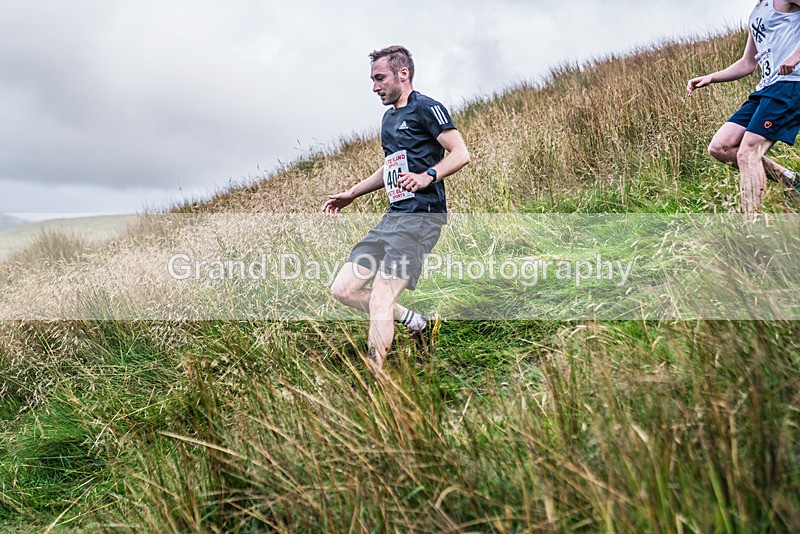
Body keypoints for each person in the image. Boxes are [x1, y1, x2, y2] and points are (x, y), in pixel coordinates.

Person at [323, 45, 470, 372]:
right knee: (343, 289)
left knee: (379, 298)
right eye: (373, 80)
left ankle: (377, 386)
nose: (375, 86)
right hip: (392, 218)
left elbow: (460, 153)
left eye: (380, 78)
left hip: (420, 218)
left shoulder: (427, 108)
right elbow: (388, 167)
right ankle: (418, 323)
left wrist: (427, 175)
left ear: (403, 74)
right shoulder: (389, 118)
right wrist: (353, 193)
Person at [687, 0, 800, 215]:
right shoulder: (757, 11)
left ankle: (751, 227)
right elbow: (748, 62)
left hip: (791, 84)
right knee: (721, 147)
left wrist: (796, 56)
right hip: (766, 88)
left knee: (748, 153)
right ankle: (791, 180)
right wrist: (711, 77)